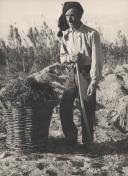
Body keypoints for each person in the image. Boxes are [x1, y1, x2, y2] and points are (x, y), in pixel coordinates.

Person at [57, 1, 103, 145]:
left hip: (87, 73)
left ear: (80, 15)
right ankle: (71, 137)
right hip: (72, 73)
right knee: (64, 106)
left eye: (73, 15)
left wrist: (94, 81)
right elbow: (62, 57)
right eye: (67, 16)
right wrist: (70, 57)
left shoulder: (91, 34)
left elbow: (97, 59)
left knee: (87, 108)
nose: (70, 19)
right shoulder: (65, 35)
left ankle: (87, 141)